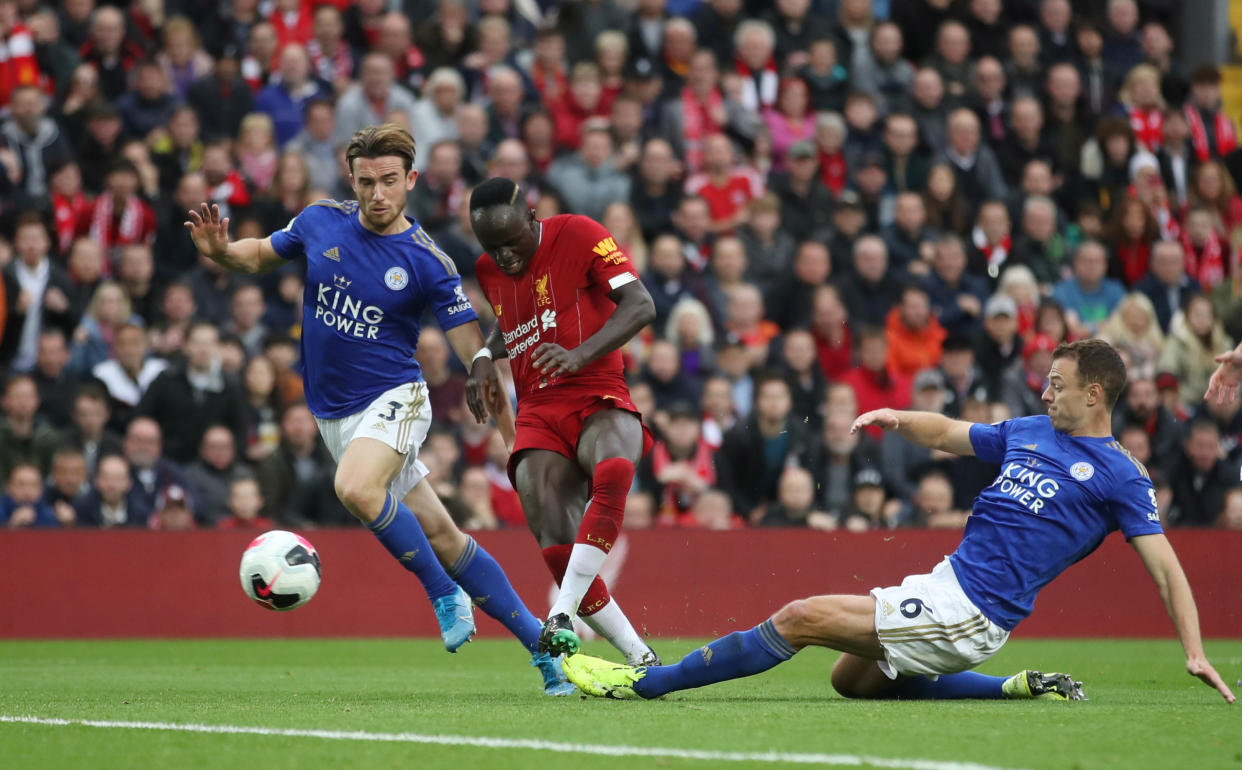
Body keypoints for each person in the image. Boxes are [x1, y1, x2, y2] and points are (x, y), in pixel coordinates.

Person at [564, 339, 1236, 706]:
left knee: (799, 616)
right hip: (947, 586)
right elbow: (950, 432)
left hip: (973, 610)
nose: (1044, 392)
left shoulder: (1121, 474)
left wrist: (1195, 650)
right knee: (852, 682)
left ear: (1094, 394)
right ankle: (1015, 688)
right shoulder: (1032, 431)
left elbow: (1168, 570)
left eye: (1056, 384)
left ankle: (649, 682)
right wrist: (895, 418)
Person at [185, 123, 574, 695]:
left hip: (397, 398)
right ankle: (544, 652)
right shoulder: (319, 221)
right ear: (352, 178)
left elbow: (471, 344)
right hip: (337, 418)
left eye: (390, 181)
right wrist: (222, 251)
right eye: (367, 181)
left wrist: (497, 401)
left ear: (411, 180)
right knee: (443, 533)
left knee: (357, 490)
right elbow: (261, 255)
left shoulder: (426, 260)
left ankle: (443, 592)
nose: (377, 193)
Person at [469, 175, 662, 666]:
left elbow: (641, 304)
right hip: (537, 410)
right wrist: (483, 357)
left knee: (615, 468)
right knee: (554, 538)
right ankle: (641, 658)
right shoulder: (489, 268)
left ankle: (560, 613)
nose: (505, 258)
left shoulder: (579, 233)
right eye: (493, 248)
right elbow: (511, 322)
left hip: (596, 389)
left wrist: (578, 356)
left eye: (512, 243)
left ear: (533, 219)